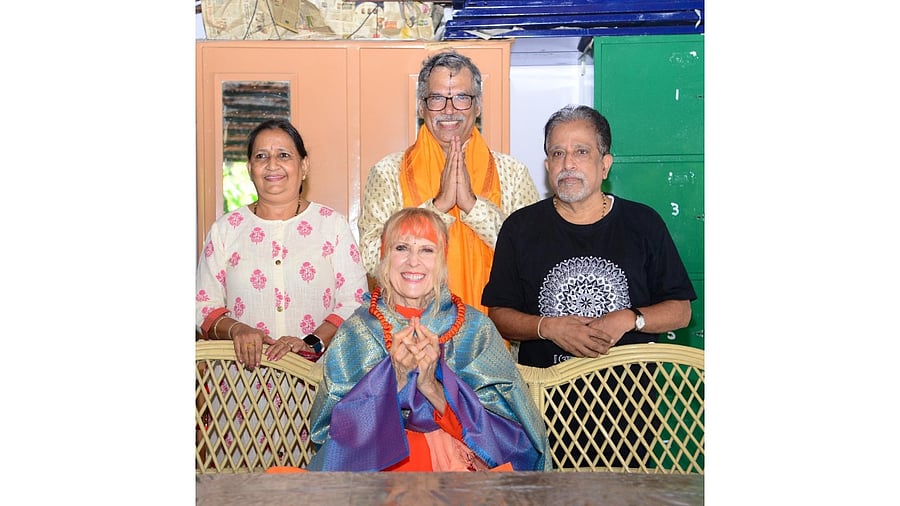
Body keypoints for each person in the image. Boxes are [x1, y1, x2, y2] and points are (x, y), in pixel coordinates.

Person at [481, 105, 696, 468]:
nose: (568, 164)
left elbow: (681, 310)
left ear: (605, 164)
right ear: (547, 165)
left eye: (581, 152)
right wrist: (546, 327)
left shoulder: (643, 223)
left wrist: (630, 318)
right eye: (557, 153)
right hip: (545, 412)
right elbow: (498, 313)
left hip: (629, 416)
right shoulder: (520, 228)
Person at [306, 208, 549, 472]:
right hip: (375, 472)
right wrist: (395, 378)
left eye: (426, 250)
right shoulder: (357, 331)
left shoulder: (475, 328)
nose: (413, 262)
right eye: (401, 248)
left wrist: (432, 387)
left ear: (443, 260)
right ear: (384, 257)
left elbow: (510, 434)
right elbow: (332, 433)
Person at [357, 50, 540, 315]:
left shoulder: (511, 173)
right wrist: (437, 207)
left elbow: (531, 257)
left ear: (478, 107)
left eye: (462, 98)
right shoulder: (387, 173)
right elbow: (373, 259)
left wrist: (472, 206)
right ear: (421, 106)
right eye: (437, 98)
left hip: (494, 335)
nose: (450, 109)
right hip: (410, 339)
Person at [195, 119, 368, 369]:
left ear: (304, 165)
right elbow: (202, 305)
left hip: (313, 380)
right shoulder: (225, 230)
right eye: (261, 156)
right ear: (250, 167)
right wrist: (236, 329)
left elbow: (355, 300)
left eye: (284, 155)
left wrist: (312, 342)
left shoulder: (331, 226)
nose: (272, 165)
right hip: (241, 387)